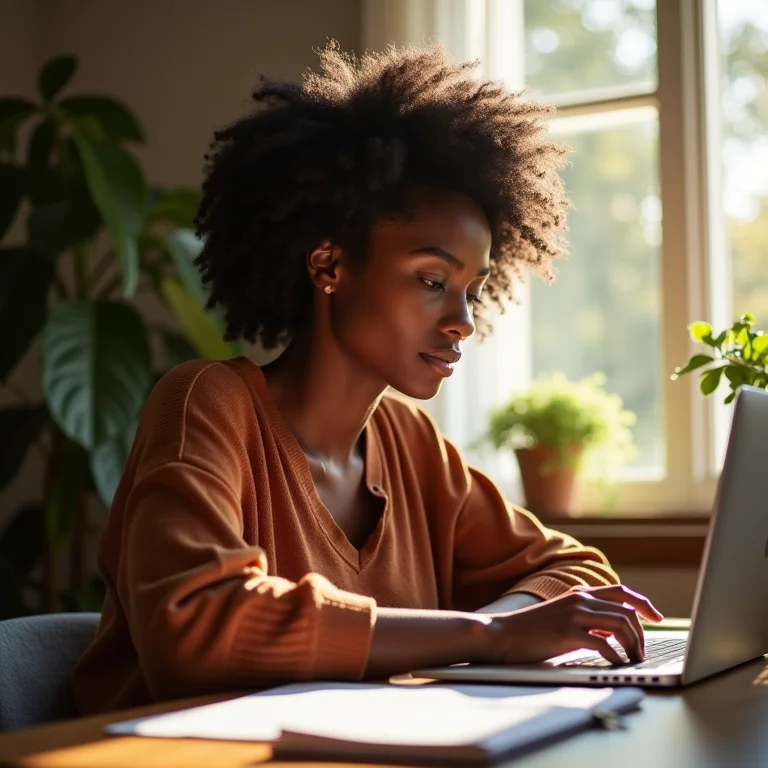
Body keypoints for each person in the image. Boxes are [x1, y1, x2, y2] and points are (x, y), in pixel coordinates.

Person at [72, 41, 663, 715]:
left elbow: (574, 571)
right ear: (329, 265)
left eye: (473, 289)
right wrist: (487, 634)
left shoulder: (409, 444)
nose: (462, 321)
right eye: (432, 281)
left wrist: (501, 633)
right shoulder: (207, 405)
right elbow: (195, 628)